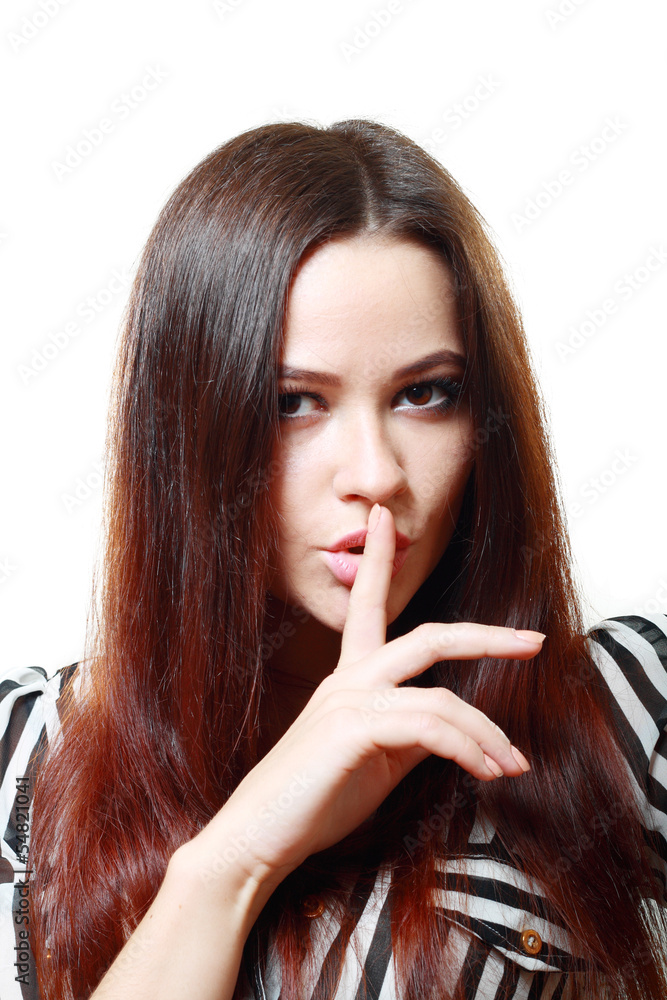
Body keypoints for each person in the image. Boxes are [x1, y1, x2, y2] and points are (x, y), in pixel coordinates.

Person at [1, 118, 666, 1000]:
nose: (376, 474)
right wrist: (231, 860)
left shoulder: (614, 711)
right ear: (189, 426)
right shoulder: (31, 758)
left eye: (426, 394)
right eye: (294, 403)